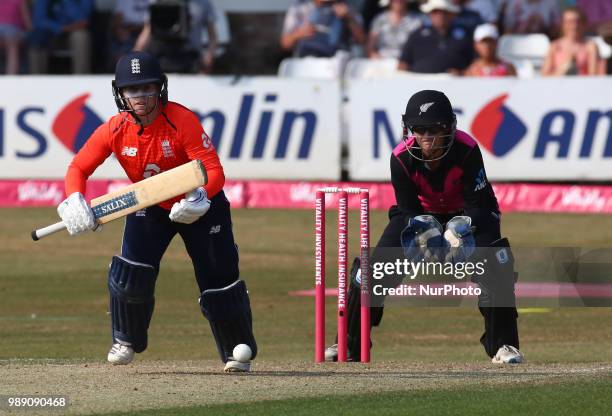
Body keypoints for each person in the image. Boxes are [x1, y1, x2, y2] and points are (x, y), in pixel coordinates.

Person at [55, 51, 257, 372]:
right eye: (132, 90)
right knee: (131, 271)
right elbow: (78, 167)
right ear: (120, 93)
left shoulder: (181, 120)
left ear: (159, 89)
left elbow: (214, 170)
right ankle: (125, 339)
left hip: (200, 204)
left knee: (218, 278)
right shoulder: (114, 129)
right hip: (150, 203)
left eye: (147, 88)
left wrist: (200, 197)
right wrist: (74, 199)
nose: (140, 97)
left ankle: (236, 349)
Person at [325, 90, 524, 365]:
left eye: (434, 129)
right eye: (419, 129)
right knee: (368, 270)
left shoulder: (466, 149)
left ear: (449, 128)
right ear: (409, 129)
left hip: (472, 214)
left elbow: (478, 202)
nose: (426, 137)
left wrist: (460, 228)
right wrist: (425, 228)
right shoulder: (400, 158)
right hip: (418, 215)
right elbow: (407, 209)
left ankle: (504, 346)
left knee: (496, 264)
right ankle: (349, 344)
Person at [134, 0, 218, 73]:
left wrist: (209, 56)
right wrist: (134, 57)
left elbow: (212, 36)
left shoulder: (203, 3)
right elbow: (147, 32)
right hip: (161, 59)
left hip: (192, 61)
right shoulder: (157, 1)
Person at [398, 0, 474, 74]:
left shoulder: (464, 35)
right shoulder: (417, 35)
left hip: (457, 83)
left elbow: (475, 63)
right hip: (420, 82)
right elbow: (404, 62)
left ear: (452, 14)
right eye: (435, 12)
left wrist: (463, 73)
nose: (440, 15)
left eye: (444, 12)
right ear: (429, 14)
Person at [280, 0, 366, 57]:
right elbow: (285, 44)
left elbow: (363, 41)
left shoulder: (348, 8)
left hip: (337, 63)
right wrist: (299, 34)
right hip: (307, 60)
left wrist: (349, 19)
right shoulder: (299, 7)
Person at [28, 0, 93, 74]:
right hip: (51, 33)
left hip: (73, 33)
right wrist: (60, 28)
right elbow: (38, 20)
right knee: (36, 38)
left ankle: (81, 80)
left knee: (81, 36)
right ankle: (37, 82)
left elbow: (82, 20)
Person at [541, 7, 599, 76]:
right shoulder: (554, 46)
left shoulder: (590, 46)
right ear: (562, 24)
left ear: (583, 24)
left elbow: (593, 77)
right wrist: (564, 67)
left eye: (577, 22)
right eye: (569, 22)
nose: (574, 26)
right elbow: (544, 77)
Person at [0, 0, 30, 74]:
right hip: (12, 31)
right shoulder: (20, 1)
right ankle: (11, 77)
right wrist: (30, 29)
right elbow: (26, 19)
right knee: (12, 49)